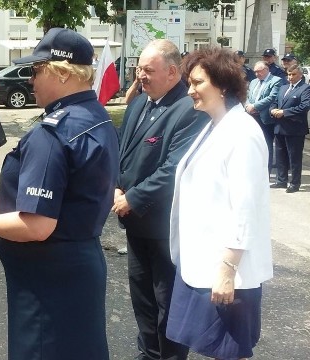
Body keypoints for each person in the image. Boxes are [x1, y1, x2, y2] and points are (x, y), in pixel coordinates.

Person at [0, 28, 118, 360]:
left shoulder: (54, 131)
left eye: (37, 70)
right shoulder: (97, 118)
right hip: (79, 264)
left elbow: (37, 226)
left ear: (63, 73)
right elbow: (77, 190)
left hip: (47, 278)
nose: (30, 79)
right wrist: (13, 200)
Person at [168, 46, 273, 360]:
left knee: (229, 352)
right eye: (190, 82)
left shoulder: (242, 134)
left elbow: (246, 209)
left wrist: (228, 270)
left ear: (223, 85)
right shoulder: (214, 127)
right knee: (208, 347)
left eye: (198, 82)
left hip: (227, 270)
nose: (190, 90)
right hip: (200, 263)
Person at [113, 39, 208, 360]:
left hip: (165, 227)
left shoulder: (188, 110)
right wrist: (115, 186)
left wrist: (133, 197)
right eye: (139, 68)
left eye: (148, 70)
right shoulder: (139, 103)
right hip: (135, 223)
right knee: (142, 300)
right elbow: (121, 152)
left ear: (172, 72)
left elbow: (174, 169)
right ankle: (149, 353)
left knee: (168, 303)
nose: (140, 75)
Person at [269, 64, 310, 193]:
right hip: (280, 126)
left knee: (294, 157)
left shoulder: (305, 88)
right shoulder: (283, 88)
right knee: (281, 155)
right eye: (289, 74)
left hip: (295, 129)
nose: (290, 77)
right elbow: (275, 102)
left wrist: (284, 112)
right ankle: (281, 180)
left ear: (300, 75)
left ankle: (295, 183)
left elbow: (304, 106)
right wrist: (273, 110)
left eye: (293, 75)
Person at [245, 61, 282, 174]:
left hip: (265, 119)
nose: (257, 74)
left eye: (259, 71)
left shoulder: (276, 80)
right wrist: (248, 106)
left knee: (267, 145)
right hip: (252, 117)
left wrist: (255, 106)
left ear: (266, 70)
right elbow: (248, 95)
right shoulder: (253, 82)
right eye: (255, 72)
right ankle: (254, 170)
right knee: (253, 144)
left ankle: (266, 172)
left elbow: (272, 97)